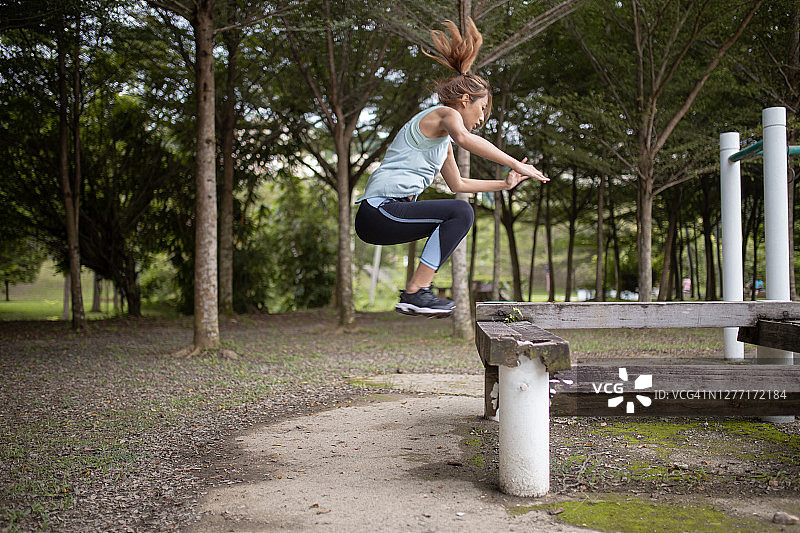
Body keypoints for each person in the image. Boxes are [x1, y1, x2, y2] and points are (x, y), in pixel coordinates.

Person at [354, 18, 549, 317]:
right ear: (465, 99)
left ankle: (417, 293)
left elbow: (458, 184)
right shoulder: (444, 115)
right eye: (482, 109)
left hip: (387, 217)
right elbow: (466, 138)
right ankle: (416, 293)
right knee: (460, 212)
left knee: (459, 211)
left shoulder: (442, 142)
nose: (483, 118)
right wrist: (515, 162)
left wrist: (504, 185)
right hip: (380, 211)